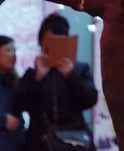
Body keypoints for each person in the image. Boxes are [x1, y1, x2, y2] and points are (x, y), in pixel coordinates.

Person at [14, 13, 99, 151]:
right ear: (41, 43)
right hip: (40, 142)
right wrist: (37, 78)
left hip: (74, 140)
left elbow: (90, 99)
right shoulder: (31, 74)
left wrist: (71, 75)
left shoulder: (79, 69)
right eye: (47, 44)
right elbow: (18, 105)